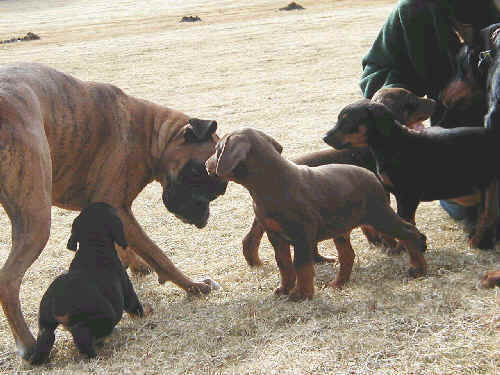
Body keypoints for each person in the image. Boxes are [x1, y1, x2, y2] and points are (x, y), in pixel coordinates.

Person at [360, 0, 500, 226]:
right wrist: (402, 111)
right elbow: (379, 70)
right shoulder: (413, 11)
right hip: (458, 146)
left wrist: (475, 80)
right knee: (469, 206)